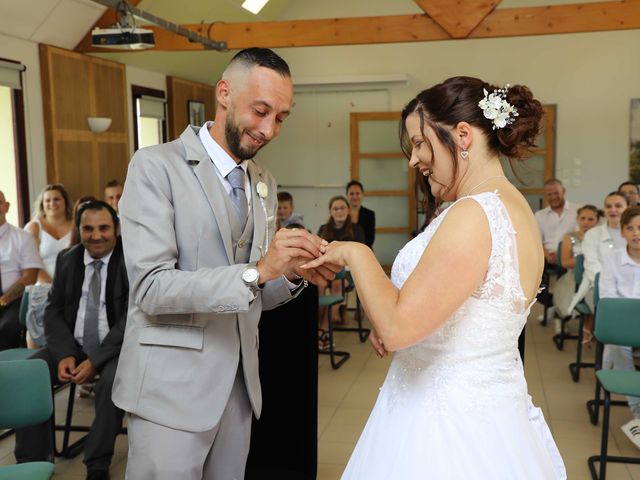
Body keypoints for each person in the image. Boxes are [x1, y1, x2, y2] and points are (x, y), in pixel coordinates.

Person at [303, 77, 566, 478]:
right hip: (490, 408)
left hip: (448, 424)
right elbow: (462, 304)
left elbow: (395, 329)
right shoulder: (510, 206)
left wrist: (357, 253)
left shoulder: (474, 214)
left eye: (421, 143)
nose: (414, 159)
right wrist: (400, 309)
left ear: (462, 135)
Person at [112, 48, 338, 480]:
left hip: (238, 388)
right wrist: (258, 270)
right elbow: (151, 290)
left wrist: (289, 274)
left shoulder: (263, 181)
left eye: (281, 117)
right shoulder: (155, 167)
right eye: (261, 111)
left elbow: (251, 295)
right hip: (170, 391)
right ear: (223, 93)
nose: (270, 129)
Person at [14, 200, 128, 480]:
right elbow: (53, 312)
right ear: (79, 230)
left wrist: (95, 361)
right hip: (73, 347)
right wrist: (65, 353)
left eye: (103, 228)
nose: (96, 235)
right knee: (31, 372)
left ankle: (97, 463)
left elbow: (131, 320)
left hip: (115, 350)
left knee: (112, 383)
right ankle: (31, 462)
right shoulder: (68, 259)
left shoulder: (131, 260)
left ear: (116, 228)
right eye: (88, 229)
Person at [598, 206, 640, 448]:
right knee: (617, 344)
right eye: (630, 228)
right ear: (622, 232)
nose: (636, 233)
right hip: (621, 329)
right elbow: (607, 299)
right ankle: (637, 411)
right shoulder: (612, 261)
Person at [317, 195, 365, 347]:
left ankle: (323, 330)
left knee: (339, 282)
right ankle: (321, 326)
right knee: (318, 285)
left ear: (348, 210)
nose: (339, 211)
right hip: (326, 270)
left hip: (349, 273)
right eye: (335, 208)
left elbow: (360, 255)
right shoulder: (323, 229)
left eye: (342, 208)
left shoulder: (357, 230)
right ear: (330, 212)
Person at [569, 191, 628, 314]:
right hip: (597, 285)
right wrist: (614, 283)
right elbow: (592, 266)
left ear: (627, 208)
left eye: (618, 206)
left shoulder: (634, 233)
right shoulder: (592, 234)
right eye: (608, 206)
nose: (613, 210)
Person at [0, 190, 42, 350]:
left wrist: (2, 301)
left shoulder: (23, 237)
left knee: (6, 328)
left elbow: (29, 278)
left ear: (6, 206)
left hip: (13, 301)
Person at [552, 205, 600, 335]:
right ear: (577, 219)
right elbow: (565, 261)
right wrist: (586, 261)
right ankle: (564, 318)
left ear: (597, 221)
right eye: (583, 218)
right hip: (573, 276)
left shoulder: (599, 237)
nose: (586, 222)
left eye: (591, 219)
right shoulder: (569, 237)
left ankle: (592, 326)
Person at [24, 183, 74, 284]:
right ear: (42, 204)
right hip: (43, 288)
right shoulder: (34, 227)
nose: (52, 203)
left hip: (73, 286)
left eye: (56, 199)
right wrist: (52, 286)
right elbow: (31, 264)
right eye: (47, 200)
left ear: (65, 201)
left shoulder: (77, 225)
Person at [535, 178, 580, 266]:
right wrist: (546, 255)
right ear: (545, 195)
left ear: (563, 191)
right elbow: (536, 240)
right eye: (549, 194)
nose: (553, 197)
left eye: (556, 193)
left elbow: (580, 237)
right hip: (546, 258)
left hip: (571, 257)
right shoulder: (539, 215)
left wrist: (561, 254)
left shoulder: (578, 210)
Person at [346, 180, 376, 248]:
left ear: (362, 194)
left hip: (364, 250)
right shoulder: (341, 214)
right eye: (351, 193)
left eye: (357, 193)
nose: (354, 196)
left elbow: (370, 239)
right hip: (345, 251)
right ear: (346, 195)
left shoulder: (370, 214)